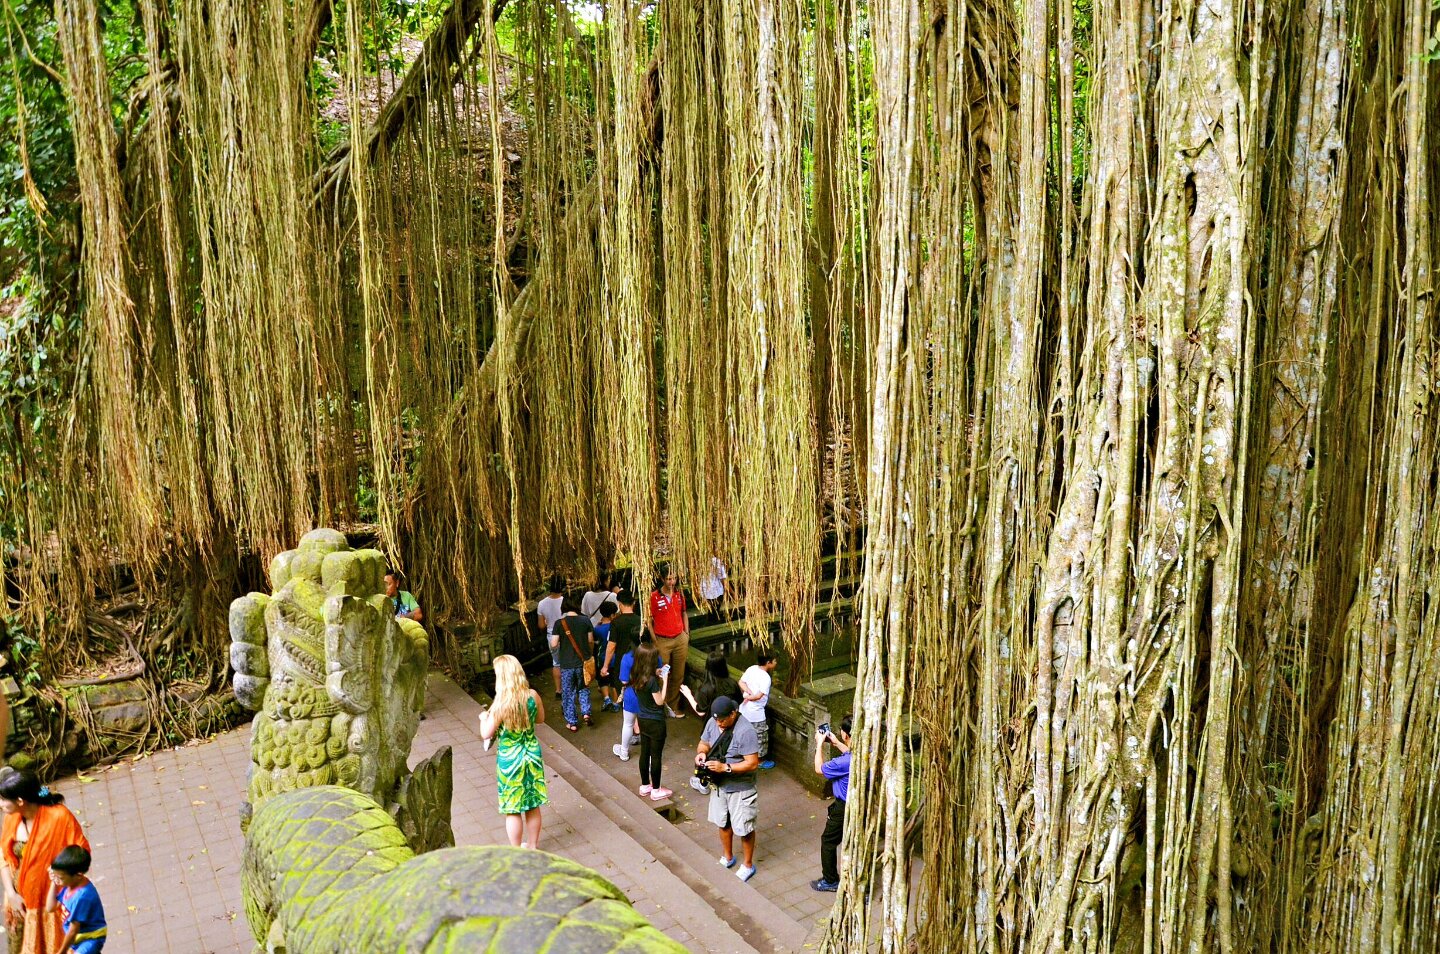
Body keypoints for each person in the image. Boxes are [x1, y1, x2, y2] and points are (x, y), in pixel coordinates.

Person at [0, 769, 89, 954]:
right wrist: (11, 893)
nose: (0, 804)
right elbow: (4, 858)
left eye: (3, 799)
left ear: (20, 801)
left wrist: (60, 874)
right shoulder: (11, 820)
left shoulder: (59, 817)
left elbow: (82, 852)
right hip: (21, 905)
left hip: (52, 906)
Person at [478, 655, 549, 849]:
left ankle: (516, 850)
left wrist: (485, 718)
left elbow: (486, 733)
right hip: (532, 755)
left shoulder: (501, 704)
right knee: (533, 804)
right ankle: (533, 845)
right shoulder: (533, 696)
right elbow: (541, 719)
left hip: (510, 760)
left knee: (513, 808)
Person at [695, 696, 761, 882]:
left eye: (723, 720)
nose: (719, 724)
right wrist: (701, 754)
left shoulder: (745, 731)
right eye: (717, 720)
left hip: (741, 788)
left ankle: (748, 865)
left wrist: (726, 768)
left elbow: (753, 763)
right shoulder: (713, 722)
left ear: (733, 714)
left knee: (744, 828)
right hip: (719, 785)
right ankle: (728, 856)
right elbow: (704, 743)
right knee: (722, 822)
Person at [811, 715, 853, 892]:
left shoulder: (843, 763)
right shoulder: (868, 751)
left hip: (843, 808)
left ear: (846, 734)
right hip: (859, 804)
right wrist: (835, 742)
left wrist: (819, 743)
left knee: (828, 841)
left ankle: (830, 881)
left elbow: (819, 769)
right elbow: (850, 753)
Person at [629, 643, 673, 800]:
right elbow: (660, 701)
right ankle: (656, 790)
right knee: (656, 756)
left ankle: (645, 785)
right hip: (655, 721)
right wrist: (666, 681)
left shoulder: (635, 674)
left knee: (644, 753)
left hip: (642, 718)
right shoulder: (652, 682)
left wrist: (657, 672)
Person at [46, 846, 105, 953]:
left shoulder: (82, 897)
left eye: (61, 877)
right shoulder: (70, 886)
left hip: (90, 938)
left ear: (78, 875)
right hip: (79, 940)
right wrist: (54, 881)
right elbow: (50, 907)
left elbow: (73, 930)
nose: (58, 880)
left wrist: (61, 952)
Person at [549, 599, 595, 731]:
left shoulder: (559, 623)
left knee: (568, 692)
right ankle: (586, 713)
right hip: (583, 662)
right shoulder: (585, 620)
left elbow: (553, 644)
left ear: (563, 608)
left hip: (566, 664)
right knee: (583, 687)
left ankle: (572, 722)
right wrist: (588, 653)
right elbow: (590, 640)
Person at [649, 571, 689, 718]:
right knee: (662, 675)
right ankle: (661, 705)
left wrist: (686, 634)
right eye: (668, 579)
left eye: (674, 578)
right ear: (662, 578)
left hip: (680, 638)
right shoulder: (654, 596)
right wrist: (655, 640)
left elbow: (684, 613)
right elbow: (649, 620)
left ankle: (674, 706)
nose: (672, 582)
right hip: (662, 640)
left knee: (679, 675)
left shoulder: (680, 594)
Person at [611, 633, 651, 762]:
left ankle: (624, 752)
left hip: (632, 694)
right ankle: (650, 756)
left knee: (628, 724)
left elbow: (623, 681)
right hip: (650, 694)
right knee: (648, 727)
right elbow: (660, 671)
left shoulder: (627, 657)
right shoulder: (653, 654)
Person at [738, 649, 780, 770]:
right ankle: (759, 761)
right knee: (760, 737)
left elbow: (741, 682)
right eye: (774, 661)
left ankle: (743, 755)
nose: (776, 663)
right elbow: (759, 696)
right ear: (768, 662)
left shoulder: (751, 668)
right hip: (756, 714)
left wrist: (747, 692)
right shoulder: (766, 678)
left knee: (745, 734)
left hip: (744, 710)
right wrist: (751, 696)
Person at [600, 590, 642, 699]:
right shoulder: (641, 621)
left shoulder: (616, 622)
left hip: (622, 661)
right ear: (633, 603)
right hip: (640, 659)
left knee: (624, 690)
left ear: (620, 604)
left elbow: (611, 646)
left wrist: (605, 666)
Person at [536, 577, 565, 700]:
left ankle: (558, 690)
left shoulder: (542, 603)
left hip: (551, 635)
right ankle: (571, 687)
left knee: (556, 663)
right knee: (570, 661)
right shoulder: (565, 601)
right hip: (566, 634)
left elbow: (541, 625)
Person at [593, 601, 620, 712]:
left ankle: (606, 699)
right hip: (614, 658)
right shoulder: (615, 626)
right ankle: (615, 703)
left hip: (602, 657)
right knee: (614, 682)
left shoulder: (597, 629)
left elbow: (595, 641)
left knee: (603, 680)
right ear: (612, 615)